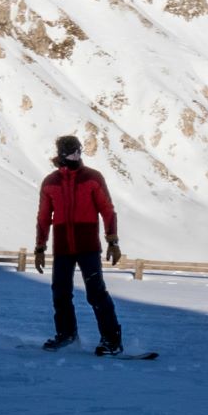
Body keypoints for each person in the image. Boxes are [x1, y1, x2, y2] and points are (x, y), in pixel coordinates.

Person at [34, 134, 125, 354]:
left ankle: (112, 341)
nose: (77, 155)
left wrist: (112, 241)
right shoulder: (50, 182)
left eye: (78, 151)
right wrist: (40, 247)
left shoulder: (92, 178)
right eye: (72, 152)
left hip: (88, 247)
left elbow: (107, 210)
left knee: (96, 293)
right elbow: (44, 217)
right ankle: (66, 336)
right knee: (61, 293)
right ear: (62, 154)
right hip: (63, 248)